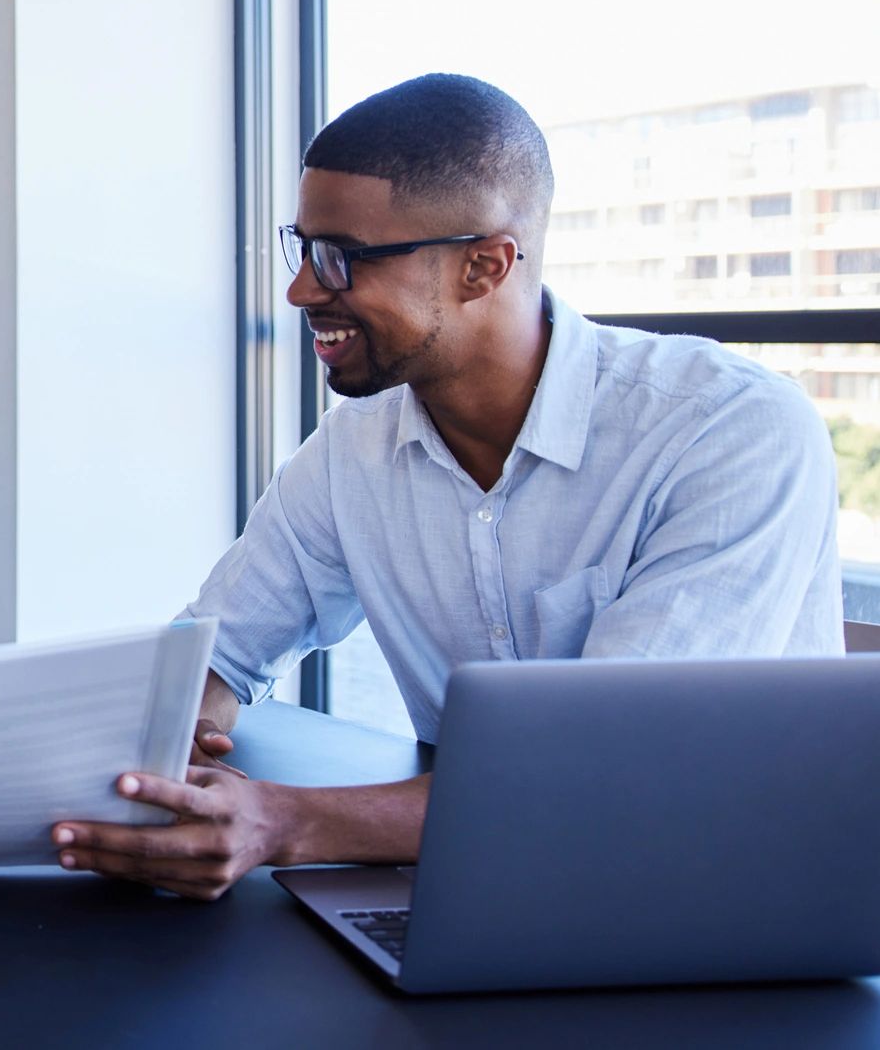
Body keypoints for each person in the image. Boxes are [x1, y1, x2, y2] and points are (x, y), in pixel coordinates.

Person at [52, 73, 844, 899]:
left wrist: (283, 820)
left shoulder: (729, 429)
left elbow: (616, 771)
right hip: (486, 879)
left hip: (725, 899)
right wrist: (179, 743)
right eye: (303, 249)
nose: (300, 291)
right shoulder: (354, 452)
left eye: (341, 260)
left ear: (484, 266)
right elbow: (219, 652)